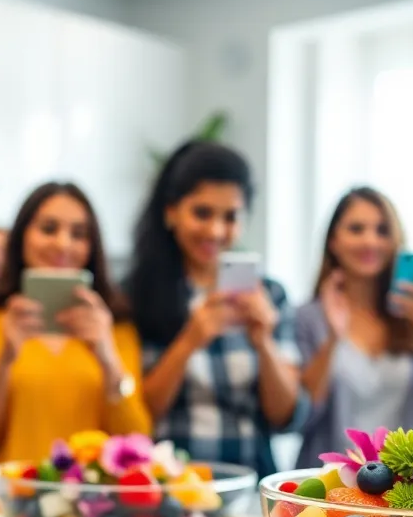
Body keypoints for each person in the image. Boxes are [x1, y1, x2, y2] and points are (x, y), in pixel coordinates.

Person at [0, 182, 151, 516]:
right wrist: (5, 362)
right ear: (21, 236)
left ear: (92, 245)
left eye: (79, 233)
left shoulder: (116, 328)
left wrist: (108, 358)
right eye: (48, 228)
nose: (63, 243)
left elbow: (136, 446)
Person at [124, 141, 304, 477]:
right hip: (171, 487)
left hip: (252, 481)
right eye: (202, 213)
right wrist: (190, 340)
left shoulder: (271, 296)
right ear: (171, 211)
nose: (216, 230)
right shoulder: (137, 295)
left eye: (231, 217)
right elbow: (140, 412)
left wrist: (263, 341)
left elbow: (286, 417)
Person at [294, 187, 413, 469]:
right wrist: (334, 339)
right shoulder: (308, 318)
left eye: (382, 230)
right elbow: (300, 417)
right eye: (356, 229)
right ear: (334, 241)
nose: (370, 241)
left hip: (407, 484)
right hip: (331, 485)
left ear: (395, 240)